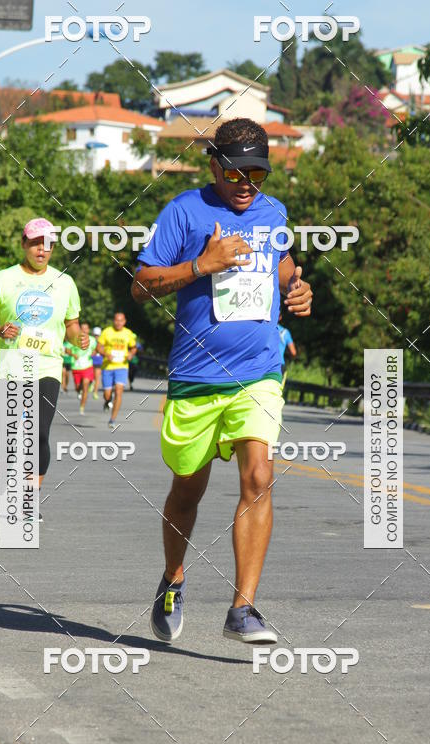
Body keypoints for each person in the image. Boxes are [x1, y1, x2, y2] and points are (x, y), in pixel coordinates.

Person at [132, 117, 313, 644]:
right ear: (215, 166)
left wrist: (298, 288)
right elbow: (142, 286)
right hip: (195, 376)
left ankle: (243, 608)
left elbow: (282, 268)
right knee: (188, 489)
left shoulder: (273, 211)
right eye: (237, 172)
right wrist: (200, 265)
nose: (246, 184)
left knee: (259, 475)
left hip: (258, 371)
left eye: (257, 173)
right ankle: (173, 578)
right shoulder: (184, 211)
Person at [0, 218, 89, 521]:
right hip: (9, 366)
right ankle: (2, 462)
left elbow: (72, 324)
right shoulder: (3, 280)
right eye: (36, 242)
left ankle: (29, 500)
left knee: (38, 433)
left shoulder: (65, 282)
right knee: (3, 437)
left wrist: (80, 338)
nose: (42, 249)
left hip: (47, 366)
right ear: (24, 243)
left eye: (48, 244)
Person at [98, 312, 137, 429]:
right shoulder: (107, 332)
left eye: (121, 320)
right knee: (107, 394)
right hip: (108, 367)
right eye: (116, 320)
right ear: (113, 321)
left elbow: (133, 348)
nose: (118, 323)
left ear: (124, 321)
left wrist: (130, 354)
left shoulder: (128, 333)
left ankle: (112, 419)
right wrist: (105, 354)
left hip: (122, 366)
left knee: (119, 391)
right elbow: (99, 347)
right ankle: (107, 400)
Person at [71, 322, 95, 414]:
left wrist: (94, 352)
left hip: (87, 366)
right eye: (83, 328)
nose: (84, 330)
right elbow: (68, 348)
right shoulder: (75, 339)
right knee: (77, 387)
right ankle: (79, 390)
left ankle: (82, 407)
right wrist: (73, 354)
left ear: (88, 330)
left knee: (85, 385)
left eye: (86, 328)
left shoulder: (92, 340)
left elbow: (96, 348)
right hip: (76, 367)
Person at [277, 313, 297, 389]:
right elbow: (293, 352)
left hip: (264, 364)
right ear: (280, 317)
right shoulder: (285, 332)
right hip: (280, 365)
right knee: (278, 391)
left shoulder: (264, 328)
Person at [91, 326, 103, 398]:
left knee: (97, 377)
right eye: (95, 335)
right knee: (91, 376)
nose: (96, 337)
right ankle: (91, 383)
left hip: (99, 361)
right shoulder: (91, 341)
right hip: (90, 360)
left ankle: (95, 392)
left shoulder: (102, 342)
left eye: (97, 335)